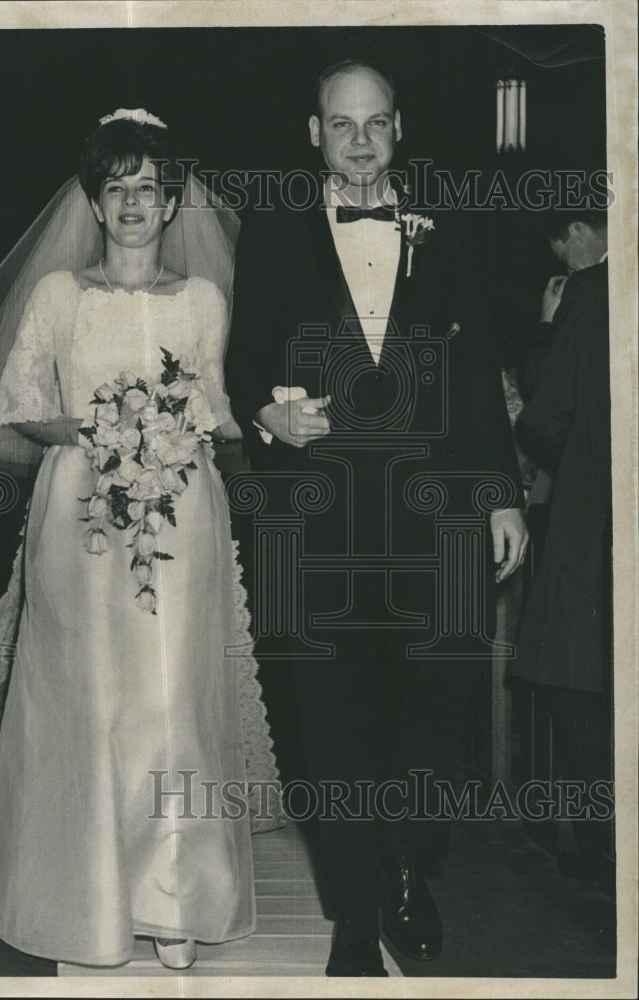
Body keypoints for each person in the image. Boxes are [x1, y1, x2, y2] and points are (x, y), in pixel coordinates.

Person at [0, 110, 281, 971]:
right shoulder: (58, 295)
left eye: (148, 188)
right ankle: (84, 900)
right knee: (88, 703)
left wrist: (176, 433)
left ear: (170, 205)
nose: (132, 202)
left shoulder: (204, 301)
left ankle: (174, 903)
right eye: (115, 187)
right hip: (78, 515)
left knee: (171, 702)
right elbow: (17, 406)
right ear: (94, 201)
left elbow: (216, 411)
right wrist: (104, 431)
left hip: (182, 515)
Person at [225, 58, 528, 976]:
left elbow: (478, 377)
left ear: (398, 131)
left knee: (434, 716)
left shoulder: (450, 233)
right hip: (318, 525)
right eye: (341, 124)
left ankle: (408, 868)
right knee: (336, 722)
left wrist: (504, 493)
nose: (360, 140)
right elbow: (243, 367)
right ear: (314, 135)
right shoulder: (273, 236)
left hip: (436, 518)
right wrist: (265, 414)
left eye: (376, 123)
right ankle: (355, 915)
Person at [511, 209, 611, 880]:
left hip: (599, 517)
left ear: (577, 233)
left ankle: (603, 846)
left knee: (574, 677)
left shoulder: (591, 293)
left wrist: (548, 325)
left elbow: (546, 416)